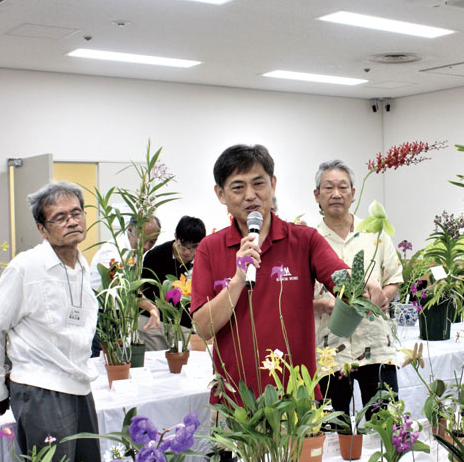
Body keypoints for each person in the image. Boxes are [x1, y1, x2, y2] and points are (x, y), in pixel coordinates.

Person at [190, 144, 382, 405]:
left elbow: (341, 277)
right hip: (233, 402)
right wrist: (237, 279)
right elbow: (202, 327)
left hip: (296, 401)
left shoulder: (304, 240)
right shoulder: (209, 249)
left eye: (258, 183)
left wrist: (362, 284)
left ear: (273, 184)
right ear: (221, 194)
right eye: (238, 187)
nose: (250, 195)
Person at [0, 181, 101, 462]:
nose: (72, 221)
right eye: (60, 217)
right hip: (41, 389)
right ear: (42, 229)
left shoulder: (83, 266)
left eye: (76, 213)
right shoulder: (26, 267)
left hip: (79, 386)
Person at [312, 160, 402, 419]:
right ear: (316, 195)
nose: (336, 194)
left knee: (385, 424)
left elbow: (394, 278)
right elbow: (295, 297)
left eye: (343, 187)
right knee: (331, 427)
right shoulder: (308, 238)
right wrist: (321, 305)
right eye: (328, 188)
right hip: (329, 349)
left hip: (375, 343)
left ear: (353, 193)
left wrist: (385, 295)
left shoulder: (376, 233)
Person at [89, 215, 162, 356]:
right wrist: (151, 307)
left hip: (119, 315)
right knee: (102, 362)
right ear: (130, 230)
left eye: (152, 242)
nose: (146, 247)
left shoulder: (135, 252)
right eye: (143, 240)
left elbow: (134, 285)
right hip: (102, 316)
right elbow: (124, 287)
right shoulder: (113, 250)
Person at [140, 215, 206, 350]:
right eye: (183, 246)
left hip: (184, 325)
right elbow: (140, 290)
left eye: (194, 247)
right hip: (154, 323)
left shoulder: (204, 259)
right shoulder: (155, 256)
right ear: (176, 236)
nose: (187, 252)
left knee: (183, 366)